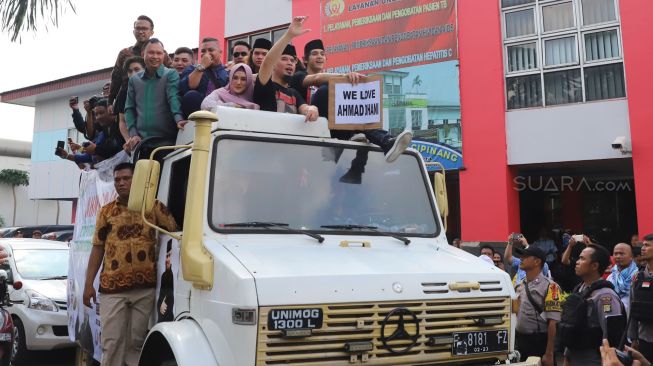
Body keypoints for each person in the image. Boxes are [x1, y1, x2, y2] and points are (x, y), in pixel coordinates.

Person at [83, 162, 177, 366]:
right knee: (112, 342)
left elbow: (175, 231)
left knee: (136, 343)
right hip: (112, 289)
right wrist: (88, 284)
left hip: (144, 289)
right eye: (117, 179)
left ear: (138, 180)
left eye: (126, 178)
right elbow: (97, 248)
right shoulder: (106, 212)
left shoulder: (153, 207)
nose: (121, 183)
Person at [560, 244, 625, 365]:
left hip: (594, 359)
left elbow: (612, 336)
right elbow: (571, 325)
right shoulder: (579, 290)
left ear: (595, 266)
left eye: (582, 259)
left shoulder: (605, 296)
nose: (577, 262)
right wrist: (566, 357)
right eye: (579, 258)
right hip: (574, 357)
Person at [124, 38, 186, 152]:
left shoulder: (170, 74)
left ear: (164, 55)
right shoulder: (134, 80)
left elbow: (173, 98)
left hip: (167, 143)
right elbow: (129, 108)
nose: (155, 56)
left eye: (159, 53)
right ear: (143, 54)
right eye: (151, 52)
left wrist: (179, 120)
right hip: (141, 143)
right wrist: (133, 134)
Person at [252, 16, 318, 121]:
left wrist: (312, 109)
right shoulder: (265, 84)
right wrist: (289, 35)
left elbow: (304, 107)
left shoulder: (294, 93)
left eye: (292, 61)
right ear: (274, 64)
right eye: (284, 59)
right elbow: (267, 62)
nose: (290, 63)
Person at [513, 246, 560, 365]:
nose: (521, 258)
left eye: (525, 256)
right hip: (520, 341)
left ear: (537, 261)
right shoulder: (519, 284)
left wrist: (549, 353)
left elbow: (553, 323)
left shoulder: (552, 286)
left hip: (539, 342)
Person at [108, 15, 166, 105]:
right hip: (127, 100)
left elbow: (171, 72)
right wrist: (110, 102)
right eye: (138, 28)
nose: (140, 31)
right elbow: (116, 78)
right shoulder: (124, 53)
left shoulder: (160, 53)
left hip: (155, 99)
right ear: (133, 31)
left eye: (144, 29)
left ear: (152, 32)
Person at [179, 37, 229, 117]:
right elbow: (188, 87)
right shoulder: (192, 69)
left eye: (211, 50)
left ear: (220, 52)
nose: (206, 54)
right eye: (203, 51)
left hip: (220, 114)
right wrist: (202, 66)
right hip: (198, 117)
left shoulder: (227, 72)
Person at [628, 233, 653, 363]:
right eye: (642, 245)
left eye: (647, 245)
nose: (642, 248)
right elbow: (633, 310)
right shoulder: (637, 277)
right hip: (644, 340)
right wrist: (633, 338)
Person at [115, 56, 146, 146]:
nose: (133, 73)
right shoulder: (124, 92)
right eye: (130, 71)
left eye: (137, 69)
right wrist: (128, 140)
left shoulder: (156, 84)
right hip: (136, 140)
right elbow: (122, 121)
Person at [607, 243, 638, 311]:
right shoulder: (610, 277)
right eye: (615, 253)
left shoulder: (638, 276)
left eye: (621, 254)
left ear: (631, 257)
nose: (618, 256)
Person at [157, 239, 174, 322]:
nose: (167, 260)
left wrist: (165, 302)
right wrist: (161, 304)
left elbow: (171, 294)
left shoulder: (172, 274)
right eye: (167, 256)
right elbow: (161, 294)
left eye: (169, 256)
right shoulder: (164, 275)